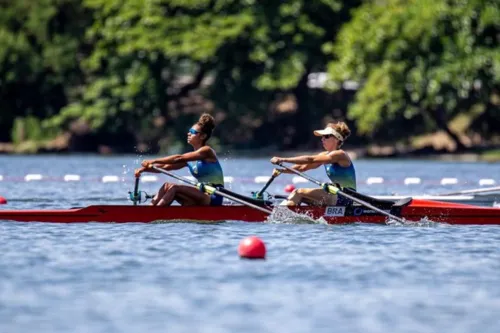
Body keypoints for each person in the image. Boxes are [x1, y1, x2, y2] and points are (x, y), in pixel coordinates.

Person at [135, 114, 224, 206]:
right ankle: (150, 210)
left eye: (192, 132)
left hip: (213, 196)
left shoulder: (207, 151)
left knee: (174, 187)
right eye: (189, 131)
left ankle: (153, 214)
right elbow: (165, 167)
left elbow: (178, 158)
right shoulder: (191, 159)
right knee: (166, 186)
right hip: (201, 194)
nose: (188, 133)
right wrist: (143, 170)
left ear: (203, 136)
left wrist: (153, 161)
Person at [270, 121, 356, 206]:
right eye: (322, 136)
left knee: (298, 192)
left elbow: (311, 159)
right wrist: (281, 170)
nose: (322, 139)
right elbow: (302, 168)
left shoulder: (340, 154)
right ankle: (287, 213)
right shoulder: (324, 155)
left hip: (346, 197)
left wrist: (282, 159)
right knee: (300, 197)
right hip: (335, 195)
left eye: (326, 136)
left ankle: (280, 214)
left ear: (337, 139)